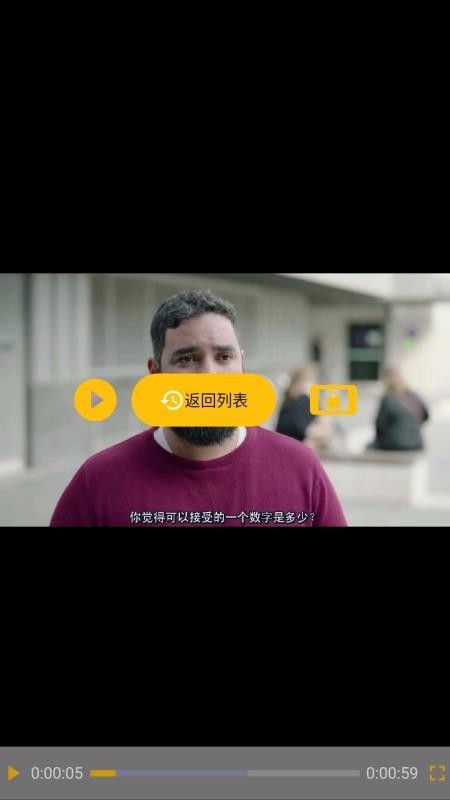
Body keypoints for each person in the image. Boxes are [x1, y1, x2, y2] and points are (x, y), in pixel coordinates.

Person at [50, 289, 347, 527]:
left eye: (224, 357)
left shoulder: (300, 468)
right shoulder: (98, 481)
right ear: (156, 373)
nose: (209, 376)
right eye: (187, 359)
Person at [276, 365, 339, 452]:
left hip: (281, 448)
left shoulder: (290, 400)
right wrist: (327, 428)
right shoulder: (302, 399)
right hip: (292, 451)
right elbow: (310, 432)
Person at [368, 366, 430, 451]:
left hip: (396, 444)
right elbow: (426, 415)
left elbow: (380, 425)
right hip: (417, 443)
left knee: (369, 447)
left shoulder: (388, 399)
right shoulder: (414, 396)